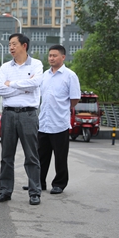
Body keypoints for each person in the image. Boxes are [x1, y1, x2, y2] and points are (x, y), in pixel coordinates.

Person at [0, 33, 43, 206]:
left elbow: (35, 83)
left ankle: (34, 192)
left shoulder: (36, 64)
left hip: (28, 114)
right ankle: (5, 191)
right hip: (9, 114)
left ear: (24, 46)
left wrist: (12, 84)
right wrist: (24, 85)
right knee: (6, 155)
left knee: (31, 155)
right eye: (9, 44)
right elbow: (0, 90)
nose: (11, 47)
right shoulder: (5, 67)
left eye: (14, 44)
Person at [37, 45, 81, 194]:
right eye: (50, 55)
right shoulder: (45, 75)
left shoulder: (70, 76)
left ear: (63, 57)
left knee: (60, 157)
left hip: (59, 123)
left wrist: (62, 108)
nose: (51, 58)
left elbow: (74, 99)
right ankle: (39, 182)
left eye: (54, 55)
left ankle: (59, 184)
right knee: (41, 156)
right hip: (44, 122)